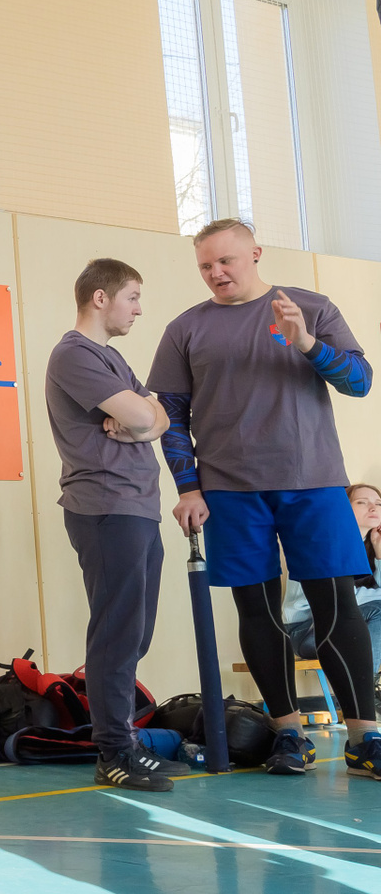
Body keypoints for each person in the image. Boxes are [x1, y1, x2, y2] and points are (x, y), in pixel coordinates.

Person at [148, 218, 377, 777]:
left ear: (255, 253)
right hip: (229, 491)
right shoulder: (185, 329)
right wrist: (187, 487)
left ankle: (364, 737)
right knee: (256, 609)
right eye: (205, 266)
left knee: (336, 605)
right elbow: (171, 416)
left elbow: (359, 381)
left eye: (225, 261)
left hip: (315, 482)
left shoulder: (310, 308)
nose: (215, 273)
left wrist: (306, 344)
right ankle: (288, 733)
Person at [44, 259, 188, 793]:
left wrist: (140, 422)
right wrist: (141, 420)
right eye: (132, 297)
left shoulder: (113, 358)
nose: (139, 309)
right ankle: (114, 752)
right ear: (100, 298)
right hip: (105, 505)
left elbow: (159, 416)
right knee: (117, 632)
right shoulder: (74, 354)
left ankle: (123, 739)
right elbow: (147, 417)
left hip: (138, 507)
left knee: (135, 632)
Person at [281, 484, 381, 779]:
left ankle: (364, 691)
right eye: (362, 502)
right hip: (306, 630)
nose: (373, 508)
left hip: (348, 631)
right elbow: (327, 603)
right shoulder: (321, 539)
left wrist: (379, 555)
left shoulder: (370, 547)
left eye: (378, 503)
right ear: (342, 508)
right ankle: (366, 691)